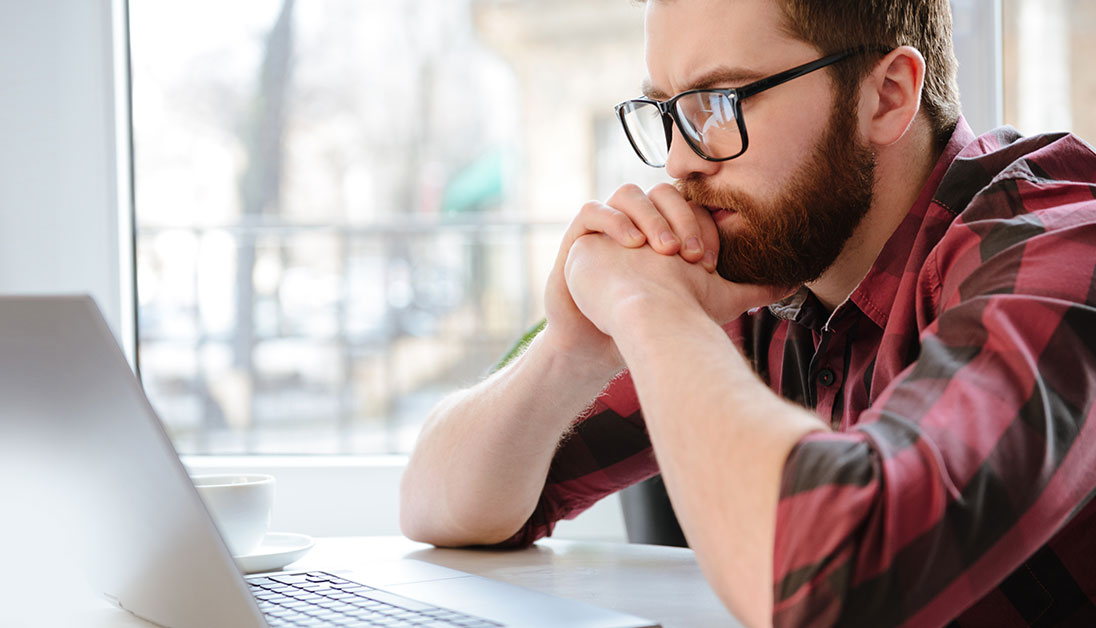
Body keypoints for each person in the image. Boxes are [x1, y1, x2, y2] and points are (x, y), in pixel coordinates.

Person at [400, 0, 1096, 625]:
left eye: (720, 102)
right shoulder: (769, 265)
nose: (677, 163)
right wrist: (570, 351)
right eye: (668, 112)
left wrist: (650, 310)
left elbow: (841, 583)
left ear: (886, 97)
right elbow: (442, 506)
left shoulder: (1057, 243)